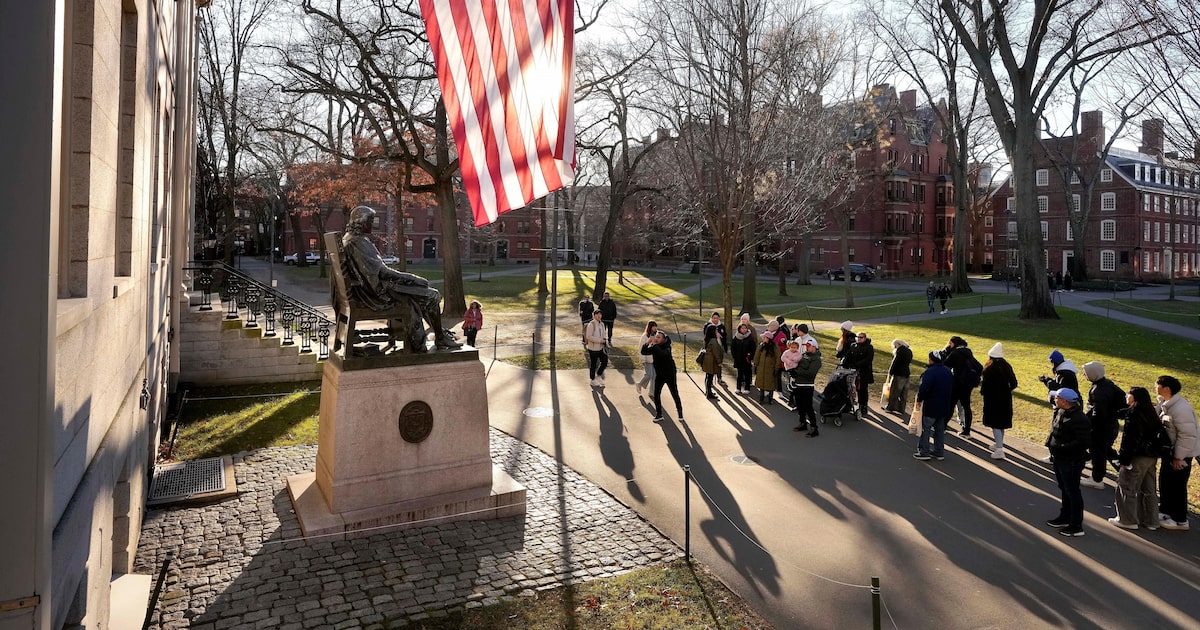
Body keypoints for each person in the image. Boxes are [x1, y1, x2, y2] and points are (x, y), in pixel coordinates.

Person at [340, 206, 461, 352]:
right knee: (432, 294)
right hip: (377, 294)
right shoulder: (359, 242)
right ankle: (439, 338)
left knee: (425, 294)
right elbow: (383, 272)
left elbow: (376, 270)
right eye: (370, 221)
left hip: (365, 291)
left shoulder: (349, 238)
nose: (372, 224)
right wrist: (413, 278)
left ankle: (440, 335)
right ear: (361, 222)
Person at [1111, 387, 1164, 530]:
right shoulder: (1150, 412)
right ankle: (1151, 521)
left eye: (1129, 394)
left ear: (1135, 398)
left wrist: (1124, 460)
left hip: (1137, 457)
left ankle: (1127, 520)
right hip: (1151, 457)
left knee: (1127, 486)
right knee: (1149, 489)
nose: (1127, 396)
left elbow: (1130, 440)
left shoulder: (1134, 415)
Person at [1156, 375, 1200, 531]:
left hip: (1181, 455)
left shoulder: (1181, 409)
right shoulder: (1167, 404)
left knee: (1177, 486)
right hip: (1171, 453)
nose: (1156, 388)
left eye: (1158, 386)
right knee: (1166, 482)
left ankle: (1180, 520)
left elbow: (1187, 436)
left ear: (1166, 389)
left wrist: (1178, 457)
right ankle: (1166, 510)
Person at [1045, 388, 1091, 537]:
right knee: (1064, 488)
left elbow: (1083, 441)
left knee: (1072, 491)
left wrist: (1062, 447)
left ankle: (1076, 525)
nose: (1054, 399)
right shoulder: (1061, 411)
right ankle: (1065, 517)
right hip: (1060, 458)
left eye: (1057, 397)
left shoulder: (1079, 419)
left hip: (1071, 460)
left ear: (1065, 401)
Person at [1080, 361, 1127, 489]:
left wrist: (1089, 424)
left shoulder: (1098, 390)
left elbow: (1098, 412)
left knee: (1098, 453)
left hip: (1100, 428)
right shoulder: (1108, 385)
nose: (1084, 375)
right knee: (1106, 450)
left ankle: (1097, 479)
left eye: (1086, 373)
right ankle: (1125, 472)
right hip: (1111, 425)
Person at [980, 343, 1018, 459]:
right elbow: (1014, 383)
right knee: (1001, 423)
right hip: (1005, 399)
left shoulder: (989, 369)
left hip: (992, 400)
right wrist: (1006, 390)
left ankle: (1000, 449)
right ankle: (998, 443)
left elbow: (984, 388)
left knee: (995, 424)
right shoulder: (1007, 366)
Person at [914, 351, 954, 461]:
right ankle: (938, 451)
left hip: (931, 405)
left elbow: (924, 388)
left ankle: (924, 451)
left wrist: (919, 399)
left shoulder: (930, 372)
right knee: (939, 430)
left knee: (925, 429)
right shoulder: (947, 371)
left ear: (931, 359)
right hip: (944, 405)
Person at [942, 336, 982, 437]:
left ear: (954, 344)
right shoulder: (968, 353)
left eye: (950, 344)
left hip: (957, 383)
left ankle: (942, 426)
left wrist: (946, 353)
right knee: (966, 407)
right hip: (967, 384)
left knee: (950, 405)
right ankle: (966, 430)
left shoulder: (955, 353)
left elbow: (945, 364)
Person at [641, 330, 682, 423]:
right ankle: (659, 414)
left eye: (659, 337)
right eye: (656, 337)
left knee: (674, 393)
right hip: (660, 374)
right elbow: (644, 352)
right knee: (656, 394)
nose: (656, 338)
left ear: (663, 339)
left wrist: (654, 345)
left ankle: (680, 413)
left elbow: (662, 353)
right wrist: (647, 343)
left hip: (670, 374)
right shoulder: (654, 347)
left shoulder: (667, 346)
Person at [792, 339, 822, 436]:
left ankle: (814, 428)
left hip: (807, 386)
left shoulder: (816, 359)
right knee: (800, 406)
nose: (806, 347)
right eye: (806, 346)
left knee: (808, 407)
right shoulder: (804, 355)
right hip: (798, 384)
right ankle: (802, 423)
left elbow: (811, 373)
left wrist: (797, 372)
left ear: (814, 347)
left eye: (808, 346)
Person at [841, 331, 875, 416]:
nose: (859, 339)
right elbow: (848, 356)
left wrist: (857, 364)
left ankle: (863, 406)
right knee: (849, 387)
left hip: (863, 372)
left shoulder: (869, 347)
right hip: (852, 370)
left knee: (862, 390)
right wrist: (844, 363)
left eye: (861, 337)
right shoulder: (854, 346)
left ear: (865, 338)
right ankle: (848, 404)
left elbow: (868, 359)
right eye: (858, 337)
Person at [884, 339, 912, 415]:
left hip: (899, 374)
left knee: (894, 392)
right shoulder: (909, 351)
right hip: (907, 374)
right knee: (904, 393)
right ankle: (901, 409)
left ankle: (890, 407)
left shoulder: (899, 351)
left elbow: (895, 362)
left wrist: (890, 372)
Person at [753, 333, 779, 404]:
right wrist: (755, 364)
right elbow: (757, 355)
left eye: (765, 337)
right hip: (761, 368)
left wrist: (776, 368)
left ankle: (770, 399)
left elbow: (778, 358)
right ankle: (761, 399)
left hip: (770, 368)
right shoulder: (761, 346)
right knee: (761, 384)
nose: (763, 339)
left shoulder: (775, 347)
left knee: (770, 384)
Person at [701, 324, 725, 400]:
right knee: (710, 378)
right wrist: (719, 362)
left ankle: (708, 392)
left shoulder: (707, 339)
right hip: (711, 361)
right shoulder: (714, 341)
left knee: (707, 377)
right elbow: (716, 352)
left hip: (707, 360)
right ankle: (709, 393)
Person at [731, 323, 757, 394]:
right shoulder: (736, 337)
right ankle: (738, 388)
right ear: (739, 329)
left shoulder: (750, 337)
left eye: (745, 328)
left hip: (747, 359)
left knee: (747, 374)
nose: (744, 330)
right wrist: (735, 357)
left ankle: (747, 388)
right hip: (739, 359)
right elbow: (733, 348)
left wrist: (750, 356)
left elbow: (753, 348)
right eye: (742, 328)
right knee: (739, 374)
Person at [584, 310, 608, 387]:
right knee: (593, 364)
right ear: (594, 315)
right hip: (593, 349)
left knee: (604, 361)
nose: (599, 316)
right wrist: (599, 340)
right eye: (597, 314)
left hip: (601, 348)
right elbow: (589, 336)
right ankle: (592, 380)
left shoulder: (602, 324)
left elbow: (603, 334)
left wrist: (604, 340)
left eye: (600, 314)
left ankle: (598, 375)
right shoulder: (591, 324)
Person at [704, 312, 728, 385]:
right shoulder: (708, 326)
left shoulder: (721, 326)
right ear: (711, 318)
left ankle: (719, 378)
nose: (715, 320)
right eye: (714, 318)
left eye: (717, 318)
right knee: (711, 365)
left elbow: (725, 337)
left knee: (719, 363)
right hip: (711, 348)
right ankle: (709, 381)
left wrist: (725, 347)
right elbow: (706, 336)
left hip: (720, 347)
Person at [636, 321, 659, 395]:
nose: (655, 328)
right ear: (650, 327)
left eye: (656, 326)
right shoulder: (644, 336)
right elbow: (641, 349)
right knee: (649, 375)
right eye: (653, 326)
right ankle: (639, 384)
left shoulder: (658, 335)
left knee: (655, 376)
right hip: (647, 360)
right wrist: (643, 360)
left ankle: (651, 392)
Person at [781, 339, 804, 407]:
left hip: (795, 369)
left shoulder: (798, 353)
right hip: (789, 369)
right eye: (792, 347)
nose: (793, 349)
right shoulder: (786, 352)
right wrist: (789, 361)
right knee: (791, 383)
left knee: (794, 385)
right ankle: (791, 397)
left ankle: (793, 399)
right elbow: (783, 358)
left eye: (795, 348)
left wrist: (795, 359)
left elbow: (799, 358)